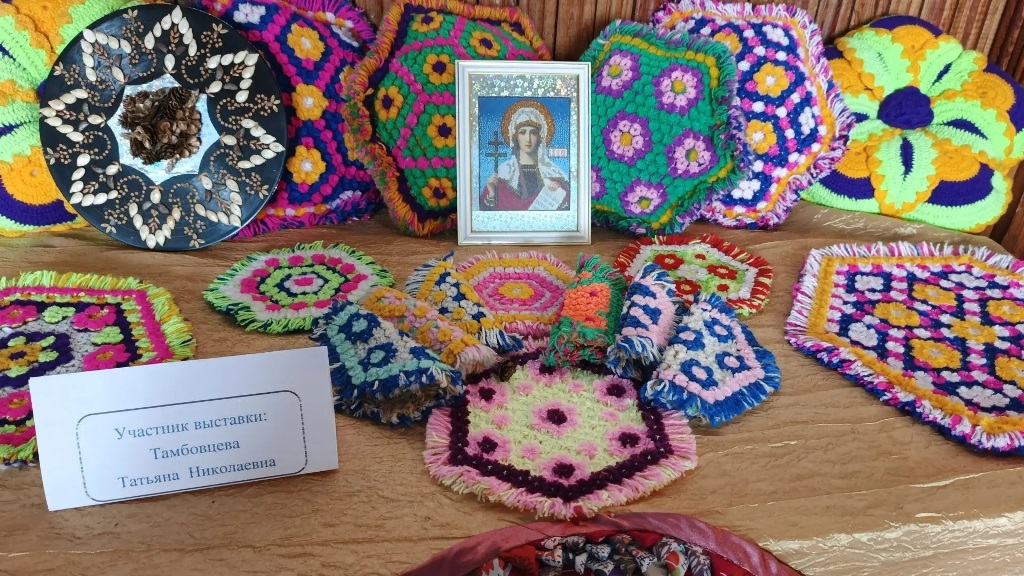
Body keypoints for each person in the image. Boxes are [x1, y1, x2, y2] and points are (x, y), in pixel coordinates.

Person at [481, 100, 570, 211]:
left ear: (540, 137)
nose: (528, 139)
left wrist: (558, 193)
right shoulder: (504, 174)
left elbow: (568, 208)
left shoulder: (552, 174)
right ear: (515, 137)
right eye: (522, 132)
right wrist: (492, 194)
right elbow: (486, 212)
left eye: (533, 133)